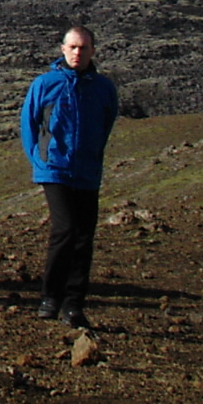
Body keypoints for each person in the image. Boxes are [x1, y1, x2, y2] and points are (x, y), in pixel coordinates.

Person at [20, 25, 119, 329]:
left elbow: (107, 124)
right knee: (66, 229)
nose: (78, 52)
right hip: (56, 169)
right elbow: (29, 123)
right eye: (73, 47)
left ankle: (73, 304)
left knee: (84, 236)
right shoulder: (45, 84)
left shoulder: (103, 88)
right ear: (62, 49)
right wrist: (40, 159)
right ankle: (51, 297)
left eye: (84, 47)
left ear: (93, 51)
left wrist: (92, 156)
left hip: (87, 172)